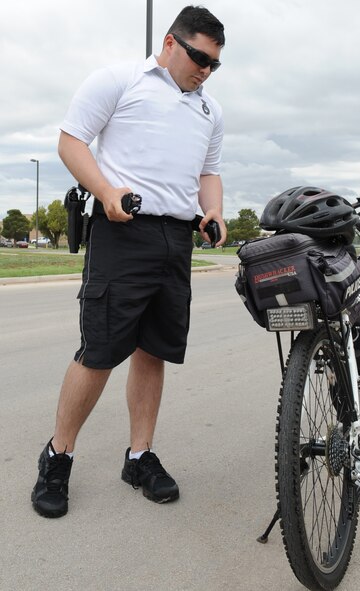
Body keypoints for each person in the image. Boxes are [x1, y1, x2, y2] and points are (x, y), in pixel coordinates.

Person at [32, 5, 226, 518]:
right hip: (122, 232)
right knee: (99, 350)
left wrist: (213, 211)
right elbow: (70, 141)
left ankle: (139, 457)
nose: (205, 70)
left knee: (152, 350)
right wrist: (105, 189)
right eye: (199, 58)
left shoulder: (210, 110)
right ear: (169, 43)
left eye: (215, 64)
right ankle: (58, 457)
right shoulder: (119, 80)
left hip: (175, 240)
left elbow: (209, 172)